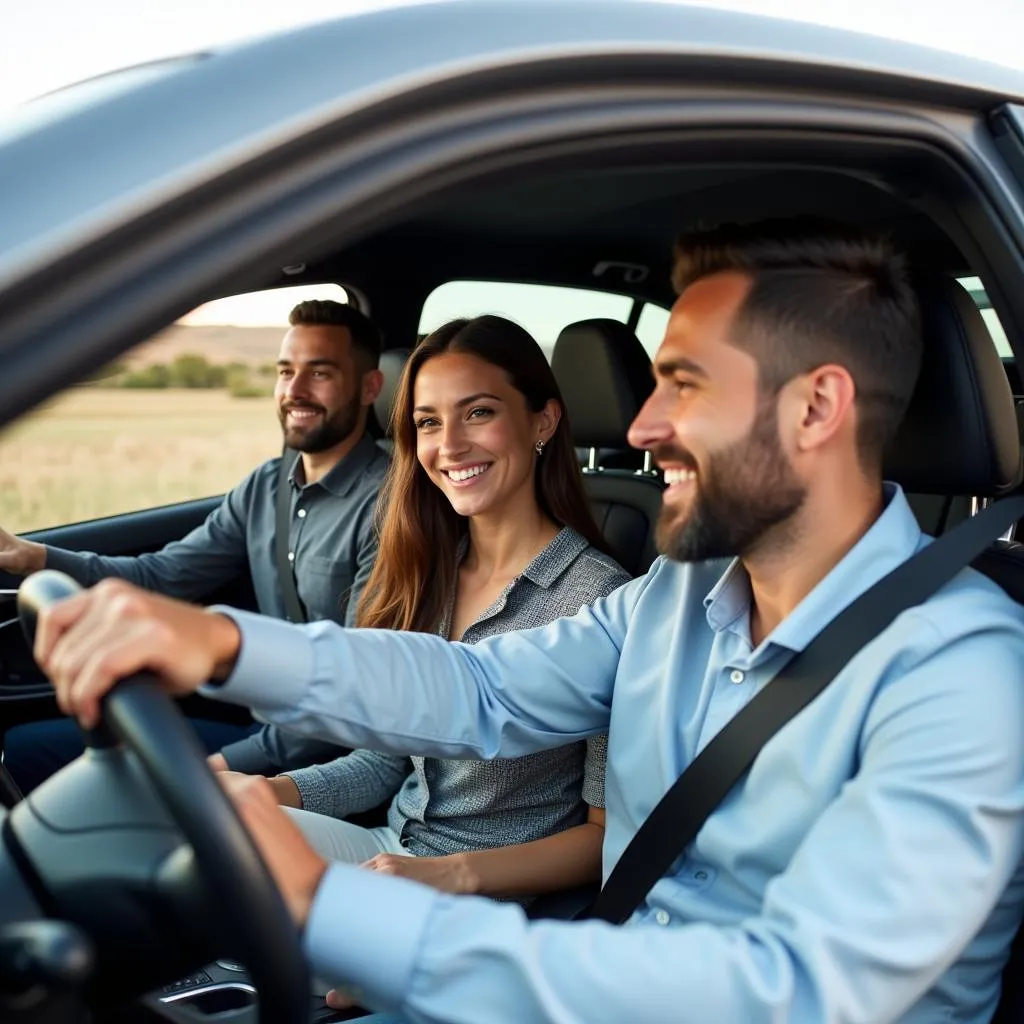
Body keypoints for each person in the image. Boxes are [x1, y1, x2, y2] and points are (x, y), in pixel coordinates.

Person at [35, 225, 1024, 1024]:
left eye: (681, 384)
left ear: (816, 408)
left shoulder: (962, 672)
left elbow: (797, 994)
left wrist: (343, 906)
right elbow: (482, 688)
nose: (638, 427)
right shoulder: (677, 594)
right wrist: (225, 643)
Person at [261, 315, 629, 907]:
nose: (449, 445)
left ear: (543, 420)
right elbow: (383, 763)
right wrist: (271, 790)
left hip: (486, 897)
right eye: (429, 422)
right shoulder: (423, 570)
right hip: (388, 850)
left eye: (478, 412)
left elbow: (605, 837)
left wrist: (452, 874)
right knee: (216, 824)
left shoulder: (601, 603)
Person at [2, 298, 388, 793]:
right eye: (285, 371)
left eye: (320, 373)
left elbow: (354, 689)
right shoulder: (264, 487)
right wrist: (34, 557)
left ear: (369, 387)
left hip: (322, 761)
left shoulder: (387, 506)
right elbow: (163, 575)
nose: (294, 390)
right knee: (24, 748)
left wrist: (223, 765)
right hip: (260, 728)